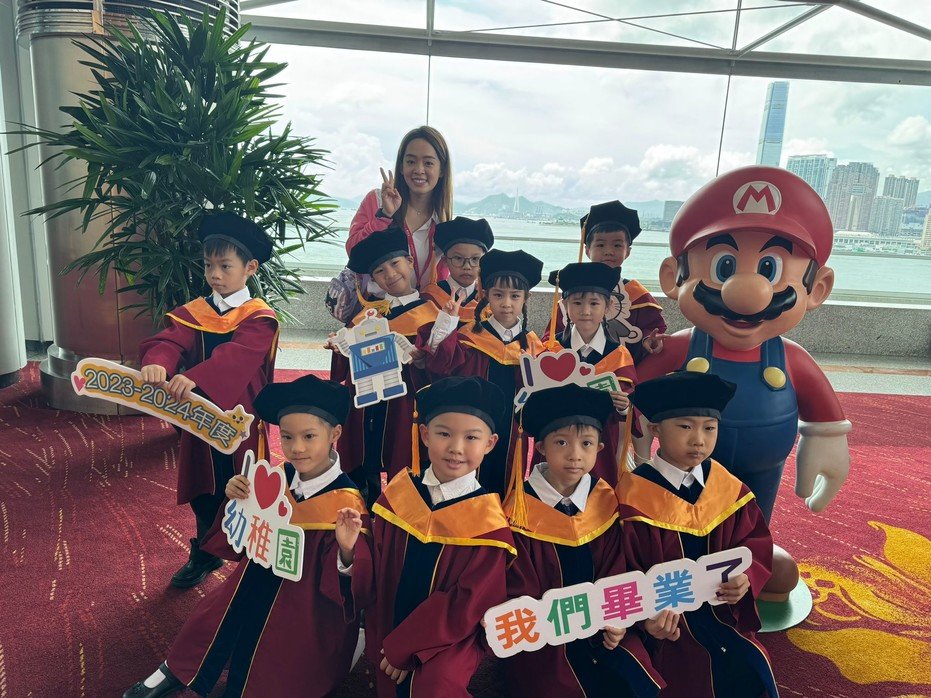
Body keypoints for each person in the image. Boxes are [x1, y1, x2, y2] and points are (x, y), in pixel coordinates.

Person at [633, 166, 852, 601]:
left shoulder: (791, 358)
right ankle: (680, 560)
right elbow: (630, 396)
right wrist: (634, 440)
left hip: (763, 468)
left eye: (769, 268)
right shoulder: (678, 348)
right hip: (684, 463)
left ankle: (747, 566)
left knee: (753, 520)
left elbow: (824, 416)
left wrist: (827, 441)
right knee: (683, 515)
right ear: (673, 278)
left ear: (818, 288)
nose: (746, 291)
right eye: (725, 266)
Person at [123, 374, 373, 698]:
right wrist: (236, 499)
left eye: (309, 436)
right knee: (212, 615)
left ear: (335, 434)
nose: (297, 448)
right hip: (255, 576)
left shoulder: (347, 503)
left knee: (278, 655)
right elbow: (237, 542)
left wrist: (347, 550)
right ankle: (175, 670)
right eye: (287, 437)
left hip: (308, 603)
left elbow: (355, 588)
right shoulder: (278, 477)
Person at [337, 376, 516, 697]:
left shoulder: (488, 522)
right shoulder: (399, 497)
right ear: (424, 435)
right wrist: (350, 551)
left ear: (490, 444)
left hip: (447, 640)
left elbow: (471, 601)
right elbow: (376, 569)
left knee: (435, 685)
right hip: (388, 623)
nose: (456, 448)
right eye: (444, 433)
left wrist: (406, 645)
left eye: (471, 437)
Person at [138, 211, 279, 588]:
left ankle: (254, 557)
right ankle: (205, 551)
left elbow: (237, 356)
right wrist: (158, 363)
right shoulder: (197, 312)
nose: (215, 274)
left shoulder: (259, 317)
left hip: (240, 418)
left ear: (250, 268)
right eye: (208, 265)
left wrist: (195, 378)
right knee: (204, 485)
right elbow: (170, 341)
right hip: (198, 417)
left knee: (243, 484)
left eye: (225, 265)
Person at [618, 371, 777, 697]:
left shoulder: (728, 487)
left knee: (748, 670)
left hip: (722, 612)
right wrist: (644, 620)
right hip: (664, 625)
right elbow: (618, 568)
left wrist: (745, 578)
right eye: (685, 427)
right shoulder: (631, 497)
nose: (699, 440)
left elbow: (754, 543)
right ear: (655, 429)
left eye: (709, 428)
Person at [503, 384, 663, 697]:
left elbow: (619, 568)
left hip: (603, 624)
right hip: (546, 634)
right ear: (542, 447)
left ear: (599, 448)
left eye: (586, 443)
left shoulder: (606, 501)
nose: (575, 454)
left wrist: (618, 619)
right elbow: (516, 585)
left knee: (632, 676)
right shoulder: (519, 511)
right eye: (561, 442)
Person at [420, 249, 545, 496]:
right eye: (498, 295)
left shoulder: (534, 347)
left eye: (515, 296)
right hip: (470, 429)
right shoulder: (470, 338)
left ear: (526, 298)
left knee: (506, 481)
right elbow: (440, 366)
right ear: (485, 295)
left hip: (512, 430)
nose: (506, 303)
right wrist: (447, 322)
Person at [330, 227, 437, 506]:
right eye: (379, 271)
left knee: (403, 463)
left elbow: (442, 367)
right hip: (365, 408)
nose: (390, 274)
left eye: (395, 263)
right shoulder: (366, 317)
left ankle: (400, 517)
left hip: (406, 406)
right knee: (364, 462)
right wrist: (338, 349)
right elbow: (346, 369)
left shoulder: (431, 315)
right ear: (373, 279)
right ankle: (363, 513)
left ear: (410, 262)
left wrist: (423, 359)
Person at [540, 261, 638, 486]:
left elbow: (630, 407)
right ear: (565, 305)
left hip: (599, 442)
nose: (585, 311)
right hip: (557, 437)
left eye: (594, 303)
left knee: (598, 493)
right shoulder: (551, 350)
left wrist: (624, 406)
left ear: (608, 306)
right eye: (577, 303)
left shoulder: (618, 355)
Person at [347, 125, 453, 291]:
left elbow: (442, 278)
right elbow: (353, 253)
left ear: (442, 170)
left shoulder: (443, 223)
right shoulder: (378, 200)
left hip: (422, 306)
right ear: (401, 167)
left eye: (428, 163)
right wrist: (384, 216)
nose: (419, 170)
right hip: (378, 305)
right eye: (411, 161)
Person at [562, 201, 667, 363]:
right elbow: (552, 334)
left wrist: (649, 339)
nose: (609, 251)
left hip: (625, 370)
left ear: (628, 252)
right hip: (572, 370)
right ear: (587, 250)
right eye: (600, 244)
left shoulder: (637, 295)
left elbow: (654, 328)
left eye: (617, 245)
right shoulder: (572, 293)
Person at [420, 216, 494, 324]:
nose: (467, 266)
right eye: (458, 258)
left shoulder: (489, 299)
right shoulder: (430, 297)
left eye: (475, 259)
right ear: (445, 261)